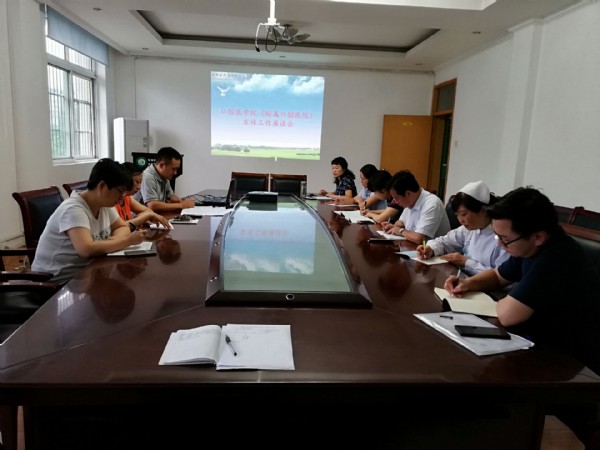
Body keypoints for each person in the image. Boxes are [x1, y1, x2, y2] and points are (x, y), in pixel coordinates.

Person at [443, 187, 600, 448]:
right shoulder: (528, 247)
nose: (500, 245)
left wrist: (504, 301)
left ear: (538, 236)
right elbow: (498, 275)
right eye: (497, 236)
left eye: (505, 240)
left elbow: (508, 315)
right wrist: (467, 284)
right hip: (542, 344)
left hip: (572, 365)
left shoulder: (556, 257)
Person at [31, 158, 147, 284]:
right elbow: (86, 249)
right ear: (102, 186)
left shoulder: (104, 204)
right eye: (120, 192)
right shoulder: (74, 209)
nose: (121, 198)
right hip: (56, 283)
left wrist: (113, 241)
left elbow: (122, 227)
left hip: (86, 275)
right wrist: (128, 241)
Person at [416, 180, 509, 275]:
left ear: (483, 210)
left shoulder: (503, 236)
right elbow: (443, 242)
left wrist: (466, 263)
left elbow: (503, 276)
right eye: (457, 215)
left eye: (464, 214)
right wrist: (430, 249)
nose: (460, 220)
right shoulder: (468, 229)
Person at [382, 170, 450, 244]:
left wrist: (400, 231)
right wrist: (392, 227)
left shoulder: (432, 204)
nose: (395, 201)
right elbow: (401, 222)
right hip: (414, 247)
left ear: (408, 193)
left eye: (396, 198)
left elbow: (419, 238)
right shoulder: (410, 202)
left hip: (432, 249)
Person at [134, 146, 195, 212]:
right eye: (173, 169)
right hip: (140, 217)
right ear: (161, 165)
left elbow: (171, 197)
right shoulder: (147, 177)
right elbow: (152, 205)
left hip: (154, 214)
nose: (175, 173)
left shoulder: (164, 176)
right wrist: (182, 205)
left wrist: (182, 201)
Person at [117, 162, 170, 230]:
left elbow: (148, 211)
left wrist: (141, 219)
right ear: (127, 180)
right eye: (137, 182)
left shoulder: (127, 198)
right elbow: (121, 227)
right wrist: (144, 217)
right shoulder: (112, 202)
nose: (139, 187)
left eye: (140, 182)